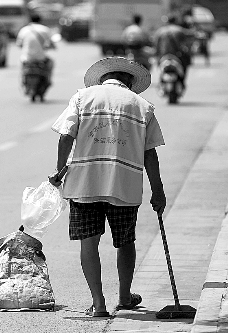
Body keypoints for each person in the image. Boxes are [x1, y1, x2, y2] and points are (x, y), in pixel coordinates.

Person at [48, 57, 167, 317]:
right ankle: (125, 296)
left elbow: (65, 136)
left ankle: (99, 304)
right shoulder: (142, 106)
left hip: (84, 184)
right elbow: (150, 154)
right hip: (124, 185)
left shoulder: (82, 98)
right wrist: (158, 191)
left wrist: (59, 171)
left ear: (103, 79)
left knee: (88, 244)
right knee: (125, 242)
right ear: (130, 83)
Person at [153, 15, 195, 89]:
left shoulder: (160, 31)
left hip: (163, 56)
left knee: (159, 67)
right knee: (186, 63)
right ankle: (182, 82)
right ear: (175, 21)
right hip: (177, 56)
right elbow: (189, 36)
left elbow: (155, 45)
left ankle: (161, 82)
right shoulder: (179, 30)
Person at [16, 13, 55, 87]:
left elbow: (19, 44)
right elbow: (51, 43)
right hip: (41, 58)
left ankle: (23, 80)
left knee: (21, 66)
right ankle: (48, 80)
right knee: (51, 63)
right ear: (40, 20)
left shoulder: (24, 30)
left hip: (27, 58)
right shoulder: (45, 29)